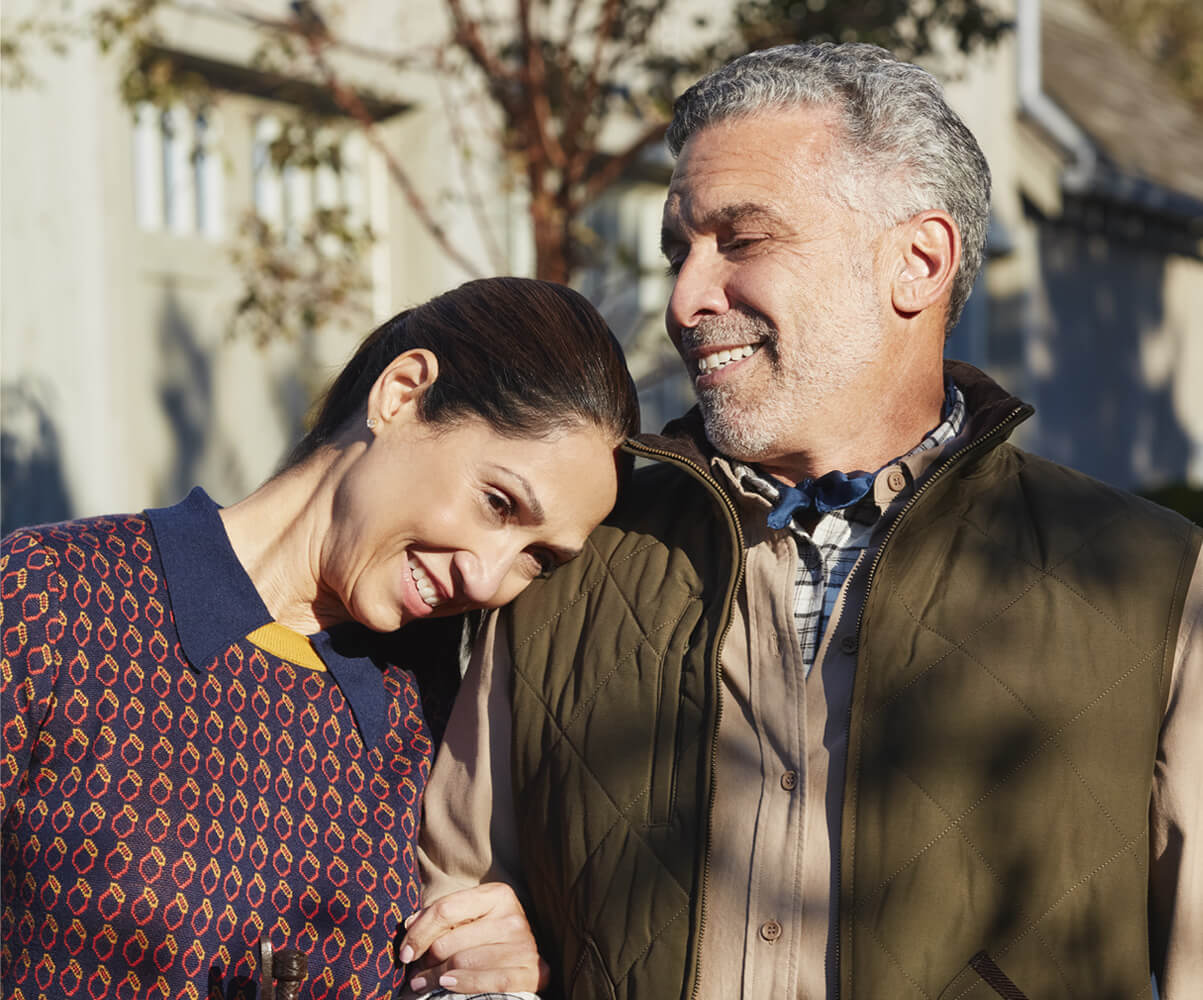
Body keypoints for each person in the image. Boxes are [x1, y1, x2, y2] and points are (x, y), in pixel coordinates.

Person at [413, 44, 1203, 999]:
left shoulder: (1155, 584)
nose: (683, 299)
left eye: (741, 241)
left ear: (916, 262)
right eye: (679, 249)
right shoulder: (566, 555)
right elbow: (453, 913)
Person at [0, 276, 640, 1000]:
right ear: (401, 394)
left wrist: (498, 969)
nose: (489, 579)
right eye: (497, 503)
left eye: (538, 557)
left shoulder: (439, 721)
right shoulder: (54, 597)